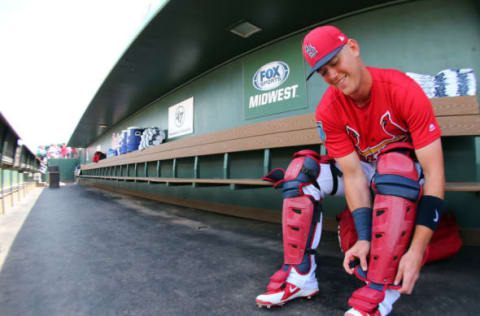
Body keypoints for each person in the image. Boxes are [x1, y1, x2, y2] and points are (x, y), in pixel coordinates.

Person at [255, 25, 445, 316]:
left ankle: (381, 290)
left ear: (353, 48)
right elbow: (355, 176)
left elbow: (434, 175)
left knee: (394, 164)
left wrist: (416, 250)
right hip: (366, 174)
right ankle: (300, 277)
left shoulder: (402, 88)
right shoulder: (328, 110)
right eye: (323, 72)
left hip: (404, 177)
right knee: (300, 172)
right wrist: (364, 238)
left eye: (335, 63)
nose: (332, 75)